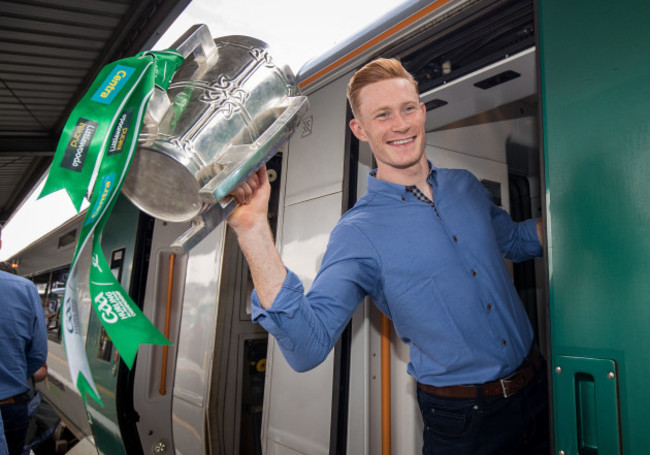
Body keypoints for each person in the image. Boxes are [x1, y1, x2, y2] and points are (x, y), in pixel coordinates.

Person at [227, 58, 548, 454]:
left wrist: (571, 213)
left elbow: (516, 240)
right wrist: (254, 229)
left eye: (407, 108)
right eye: (382, 115)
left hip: (538, 389)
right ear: (359, 130)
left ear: (422, 111)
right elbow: (307, 347)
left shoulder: (466, 186)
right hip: (465, 421)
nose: (400, 124)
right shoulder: (357, 233)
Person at [0, 224, 48, 455]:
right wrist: (12, 373)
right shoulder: (25, 288)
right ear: (0, 244)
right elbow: (38, 356)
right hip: (9, 406)